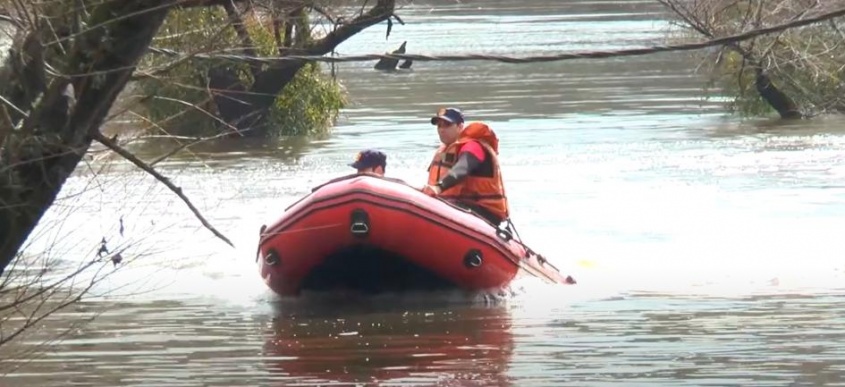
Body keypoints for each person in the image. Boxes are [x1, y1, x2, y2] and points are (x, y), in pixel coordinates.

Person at [422, 107, 510, 226]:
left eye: (447, 125)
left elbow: (462, 169)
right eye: (439, 126)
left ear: (460, 127)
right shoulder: (443, 151)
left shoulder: (473, 146)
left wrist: (438, 188)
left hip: (483, 212)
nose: (442, 130)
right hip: (457, 206)